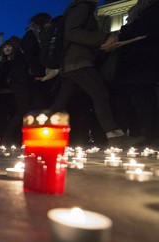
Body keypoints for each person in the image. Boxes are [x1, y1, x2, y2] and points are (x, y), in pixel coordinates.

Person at [51, 0, 143, 147]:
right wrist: (104, 37)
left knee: (61, 102)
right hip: (78, 62)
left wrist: (101, 46)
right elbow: (72, 33)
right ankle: (114, 135)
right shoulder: (82, 7)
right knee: (100, 94)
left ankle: (39, 132)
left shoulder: (81, 7)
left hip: (73, 62)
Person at [114, 0, 159, 144]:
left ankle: (150, 135)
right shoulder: (155, 12)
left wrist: (124, 33)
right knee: (147, 101)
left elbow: (145, 30)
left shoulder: (157, 11)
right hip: (143, 62)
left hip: (145, 62)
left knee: (153, 102)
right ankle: (148, 134)